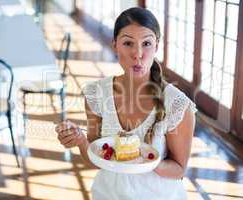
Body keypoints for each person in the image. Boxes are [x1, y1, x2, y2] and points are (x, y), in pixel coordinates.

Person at [55, 7, 197, 200]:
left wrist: (145, 161)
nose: (137, 54)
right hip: (108, 194)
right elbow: (98, 161)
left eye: (146, 43)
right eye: (128, 43)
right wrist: (81, 141)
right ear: (115, 44)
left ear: (156, 47)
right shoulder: (96, 94)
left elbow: (179, 170)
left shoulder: (178, 105)